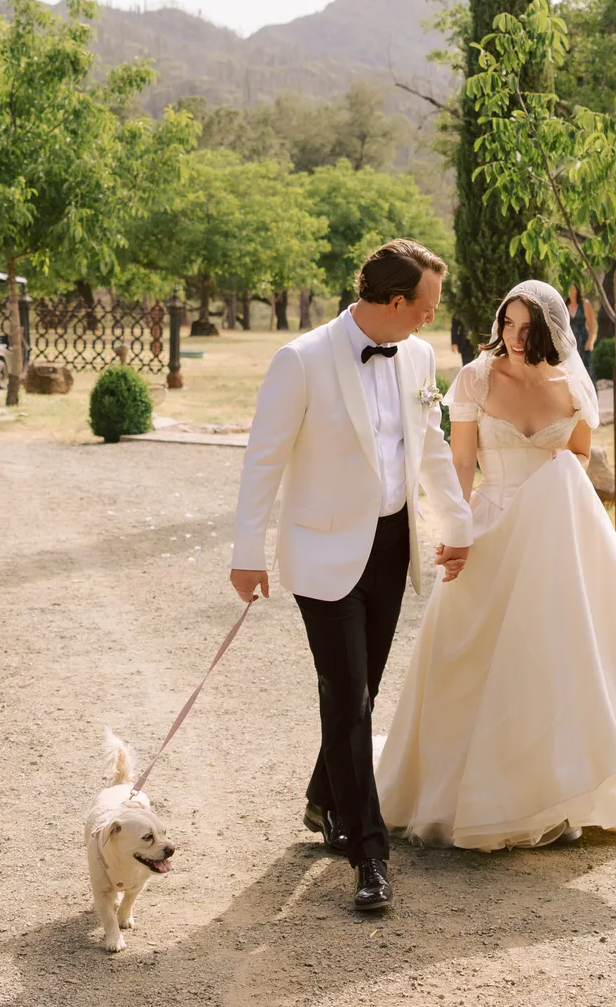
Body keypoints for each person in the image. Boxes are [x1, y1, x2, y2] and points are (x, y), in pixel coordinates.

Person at [376, 280, 616, 851]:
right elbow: (459, 463)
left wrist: (555, 477)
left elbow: (577, 457)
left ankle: (565, 793)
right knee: (469, 656)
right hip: (491, 530)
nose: (514, 338)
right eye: (507, 324)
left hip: (553, 541)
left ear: (552, 332)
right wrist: (455, 532)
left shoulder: (573, 387)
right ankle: (466, 794)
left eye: (527, 329)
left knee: (557, 657)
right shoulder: (477, 377)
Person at [229, 239, 475, 912]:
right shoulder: (301, 360)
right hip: (320, 550)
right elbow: (264, 460)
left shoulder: (420, 357)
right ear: (395, 302)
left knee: (357, 693)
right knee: (347, 694)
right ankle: (368, 853)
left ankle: (322, 798)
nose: (431, 317)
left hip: (392, 543)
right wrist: (247, 551)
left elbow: (428, 449)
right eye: (425, 306)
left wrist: (459, 528)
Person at [567, 286, 595, 366]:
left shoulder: (585, 304)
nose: (571, 291)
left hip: (583, 341)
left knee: (585, 368)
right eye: (569, 289)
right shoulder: (564, 305)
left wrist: (589, 341)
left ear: (577, 289)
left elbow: (591, 324)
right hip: (569, 342)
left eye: (573, 289)